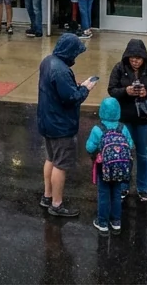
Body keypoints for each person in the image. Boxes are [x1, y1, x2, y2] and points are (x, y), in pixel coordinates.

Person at [38, 33, 97, 218]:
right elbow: (71, 98)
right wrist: (85, 88)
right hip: (61, 125)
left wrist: (74, 86)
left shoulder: (48, 61)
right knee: (60, 165)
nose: (75, 57)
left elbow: (58, 90)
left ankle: (47, 196)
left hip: (47, 121)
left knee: (50, 158)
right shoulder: (62, 70)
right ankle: (56, 204)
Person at [107, 39, 147, 202]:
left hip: (145, 118)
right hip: (125, 117)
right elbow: (112, 90)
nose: (135, 62)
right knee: (124, 153)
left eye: (138, 59)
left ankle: (143, 188)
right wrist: (126, 91)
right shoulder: (119, 68)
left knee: (143, 153)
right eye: (132, 59)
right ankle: (123, 186)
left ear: (144, 58)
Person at [85, 97, 133, 235]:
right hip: (120, 167)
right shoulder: (123, 128)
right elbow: (130, 145)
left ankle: (102, 222)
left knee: (104, 193)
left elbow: (89, 147)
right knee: (116, 193)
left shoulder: (97, 129)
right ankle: (116, 221)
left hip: (103, 167)